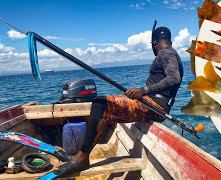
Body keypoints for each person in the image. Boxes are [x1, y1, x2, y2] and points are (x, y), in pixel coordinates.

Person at [59, 23, 184, 173]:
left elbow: (174, 78)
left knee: (100, 104)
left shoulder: (166, 53)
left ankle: (82, 159)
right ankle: (81, 154)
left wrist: (144, 90)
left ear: (155, 42)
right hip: (152, 103)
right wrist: (141, 93)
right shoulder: (170, 53)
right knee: (106, 109)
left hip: (155, 106)